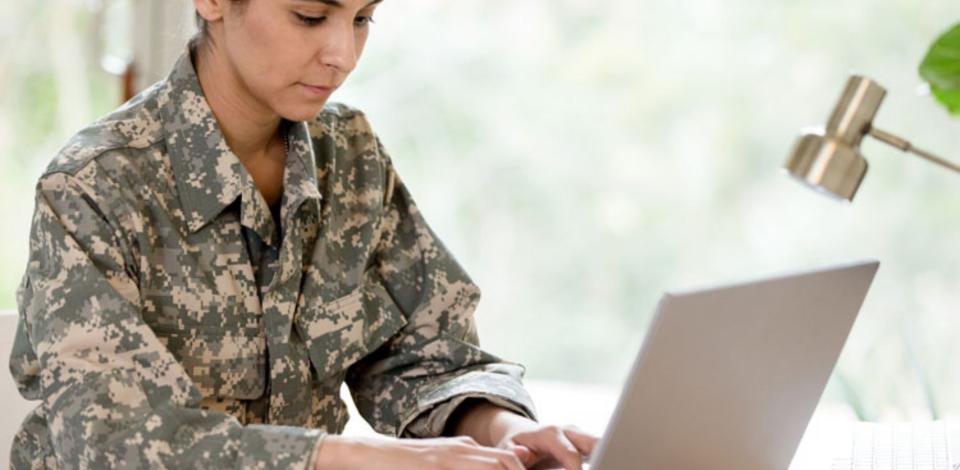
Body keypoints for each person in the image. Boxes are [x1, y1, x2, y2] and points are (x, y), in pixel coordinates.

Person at [8, 0, 599, 468]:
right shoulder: (93, 185)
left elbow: (422, 356)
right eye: (310, 16)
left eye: (363, 17)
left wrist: (507, 434)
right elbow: (118, 443)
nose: (342, 54)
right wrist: (366, 458)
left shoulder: (350, 155)